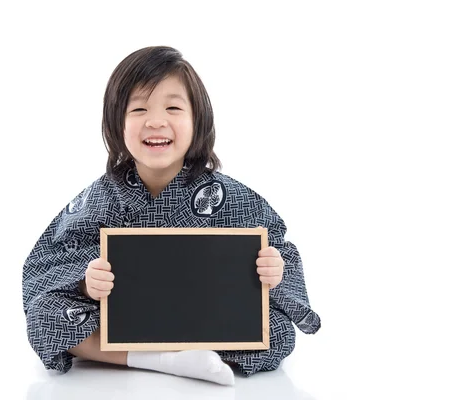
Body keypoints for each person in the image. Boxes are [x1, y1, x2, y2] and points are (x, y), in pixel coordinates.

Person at [22, 46, 320, 386]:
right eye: (138, 108)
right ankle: (160, 360)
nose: (156, 121)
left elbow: (279, 249)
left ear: (198, 121)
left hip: (207, 320)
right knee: (44, 319)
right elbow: (49, 264)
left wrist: (274, 270)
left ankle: (185, 352)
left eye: (173, 107)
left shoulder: (231, 196)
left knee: (278, 334)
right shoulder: (101, 197)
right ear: (116, 122)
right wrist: (87, 284)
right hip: (123, 322)